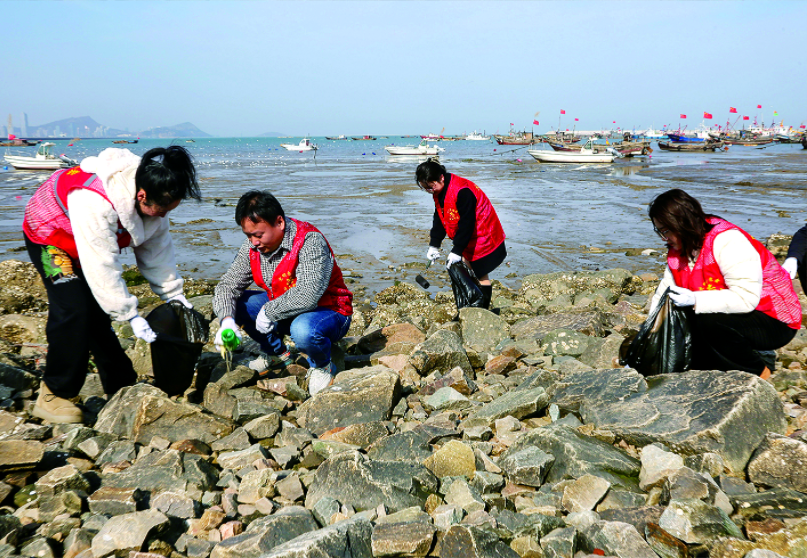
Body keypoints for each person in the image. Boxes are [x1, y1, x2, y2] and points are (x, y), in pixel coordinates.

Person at [23, 146, 201, 423]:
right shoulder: (95, 200)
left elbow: (157, 253)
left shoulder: (156, 200)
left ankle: (121, 385)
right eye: (163, 208)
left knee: (96, 316)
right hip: (51, 235)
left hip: (90, 241)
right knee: (74, 309)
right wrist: (128, 313)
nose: (165, 215)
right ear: (141, 196)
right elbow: (102, 264)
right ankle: (53, 393)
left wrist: (174, 295)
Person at [647, 189, 800, 379]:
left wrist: (695, 298)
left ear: (681, 223)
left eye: (665, 231)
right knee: (684, 322)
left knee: (707, 320)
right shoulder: (679, 250)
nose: (664, 238)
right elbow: (664, 293)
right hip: (738, 314)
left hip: (775, 319)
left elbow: (746, 299)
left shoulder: (728, 241)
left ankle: (757, 371)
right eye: (659, 231)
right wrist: (649, 332)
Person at [212, 191, 353, 395]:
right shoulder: (253, 248)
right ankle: (276, 354)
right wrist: (226, 320)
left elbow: (307, 294)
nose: (253, 242)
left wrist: (269, 311)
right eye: (248, 235)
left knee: (303, 329)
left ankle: (323, 366)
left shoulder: (310, 241)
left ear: (279, 223)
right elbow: (227, 286)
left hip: (331, 311)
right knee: (237, 305)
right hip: (285, 309)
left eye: (258, 235)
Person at [415, 159, 506, 309]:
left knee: (480, 273)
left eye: (431, 187)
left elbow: (467, 223)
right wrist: (434, 245)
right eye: (426, 189)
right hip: (468, 235)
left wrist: (457, 250)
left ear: (441, 178)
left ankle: (482, 309)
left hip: (483, 233)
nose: (430, 191)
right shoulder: (439, 191)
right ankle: (468, 306)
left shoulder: (462, 191)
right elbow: (440, 217)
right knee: (461, 267)